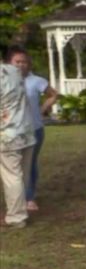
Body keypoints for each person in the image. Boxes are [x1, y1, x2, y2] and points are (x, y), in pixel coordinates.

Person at [7, 46, 58, 212]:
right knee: (13, 167)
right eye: (17, 61)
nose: (21, 65)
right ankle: (15, 199)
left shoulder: (36, 81)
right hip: (11, 130)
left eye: (24, 61)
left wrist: (42, 110)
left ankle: (29, 197)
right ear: (9, 63)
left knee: (29, 164)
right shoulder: (5, 80)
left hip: (34, 129)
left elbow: (53, 94)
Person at [1, 58, 37, 228]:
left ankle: (16, 216)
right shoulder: (15, 71)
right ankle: (20, 209)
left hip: (8, 133)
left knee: (12, 176)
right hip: (26, 131)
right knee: (22, 174)